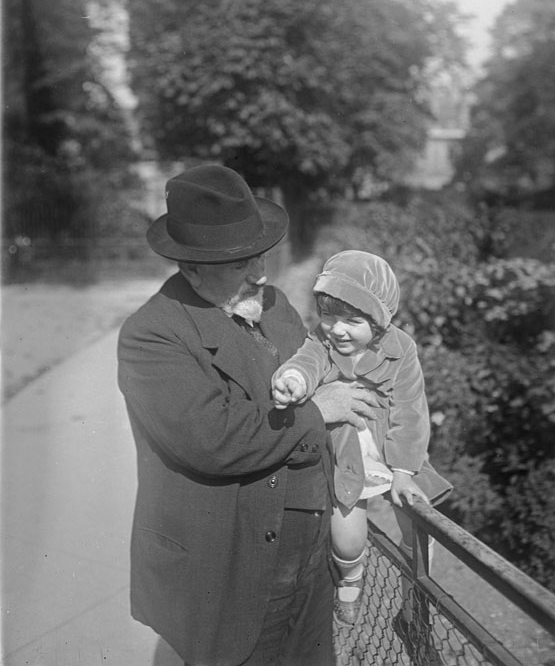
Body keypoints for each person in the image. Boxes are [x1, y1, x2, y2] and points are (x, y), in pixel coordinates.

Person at [117, 164, 378, 666]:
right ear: (191, 268)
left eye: (260, 257)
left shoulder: (274, 305)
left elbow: (324, 371)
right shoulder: (152, 333)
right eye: (240, 265)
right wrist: (317, 413)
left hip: (306, 551)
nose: (260, 274)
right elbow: (211, 438)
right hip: (230, 561)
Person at [271, 250, 452, 659]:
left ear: (378, 321)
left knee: (419, 526)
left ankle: (415, 601)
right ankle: (349, 583)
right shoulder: (320, 341)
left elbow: (410, 410)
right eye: (329, 316)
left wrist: (405, 471)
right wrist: (295, 380)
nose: (338, 330)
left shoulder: (400, 349)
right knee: (348, 538)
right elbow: (307, 362)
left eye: (353, 321)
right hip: (349, 458)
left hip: (394, 452)